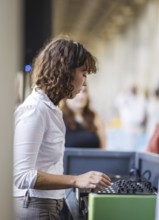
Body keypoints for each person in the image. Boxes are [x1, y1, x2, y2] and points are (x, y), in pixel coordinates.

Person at [13, 35, 111, 220]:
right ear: (66, 71)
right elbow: (21, 175)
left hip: (46, 204)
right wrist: (76, 180)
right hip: (34, 206)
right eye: (83, 73)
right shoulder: (35, 110)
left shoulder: (51, 109)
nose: (85, 82)